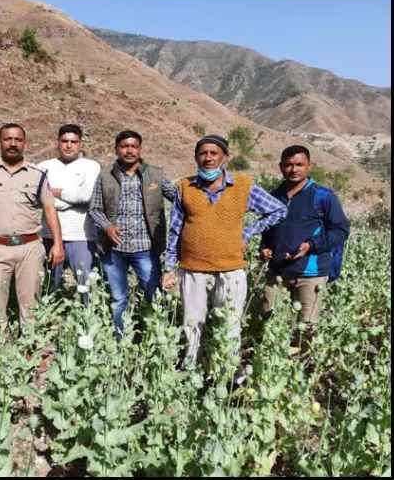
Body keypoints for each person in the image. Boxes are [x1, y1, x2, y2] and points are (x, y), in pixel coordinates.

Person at [162, 135, 286, 370]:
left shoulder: (243, 186)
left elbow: (278, 210)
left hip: (231, 268)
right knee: (192, 323)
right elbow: (175, 229)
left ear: (225, 157)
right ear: (196, 157)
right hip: (192, 269)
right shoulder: (185, 188)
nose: (208, 158)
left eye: (213, 153)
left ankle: (226, 371)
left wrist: (249, 233)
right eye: (203, 153)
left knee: (229, 324)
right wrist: (169, 267)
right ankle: (191, 369)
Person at [0, 123, 65, 333]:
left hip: (30, 248)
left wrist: (58, 244)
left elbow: (49, 209)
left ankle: (31, 349)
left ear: (24, 143)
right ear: (0, 142)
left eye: (18, 139)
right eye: (8, 139)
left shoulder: (38, 174)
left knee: (31, 303)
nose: (13, 144)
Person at [259, 145, 349, 357]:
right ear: (281, 167)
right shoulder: (274, 196)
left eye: (299, 164)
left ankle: (298, 375)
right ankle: (272, 367)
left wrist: (311, 245)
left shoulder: (323, 196)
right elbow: (267, 230)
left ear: (309, 166)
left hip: (311, 273)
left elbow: (341, 230)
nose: (293, 169)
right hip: (278, 272)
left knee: (305, 329)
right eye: (288, 165)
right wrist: (265, 249)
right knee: (268, 321)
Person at [89, 130, 176, 340]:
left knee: (153, 294)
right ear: (117, 149)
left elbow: (178, 198)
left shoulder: (155, 174)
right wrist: (107, 227)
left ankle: (154, 336)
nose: (129, 150)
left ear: (140, 149)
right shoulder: (105, 175)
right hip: (114, 249)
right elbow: (94, 209)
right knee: (119, 298)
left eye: (134, 146)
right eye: (124, 146)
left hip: (145, 248)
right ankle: (121, 339)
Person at [38, 124, 101, 302]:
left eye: (73, 142)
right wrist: (70, 198)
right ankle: (50, 320)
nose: (68, 145)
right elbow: (38, 198)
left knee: (85, 284)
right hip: (50, 234)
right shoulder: (44, 167)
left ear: (80, 144)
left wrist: (55, 194)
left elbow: (86, 196)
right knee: (51, 283)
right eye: (64, 141)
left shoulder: (91, 166)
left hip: (81, 235)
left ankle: (86, 322)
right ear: (57, 143)